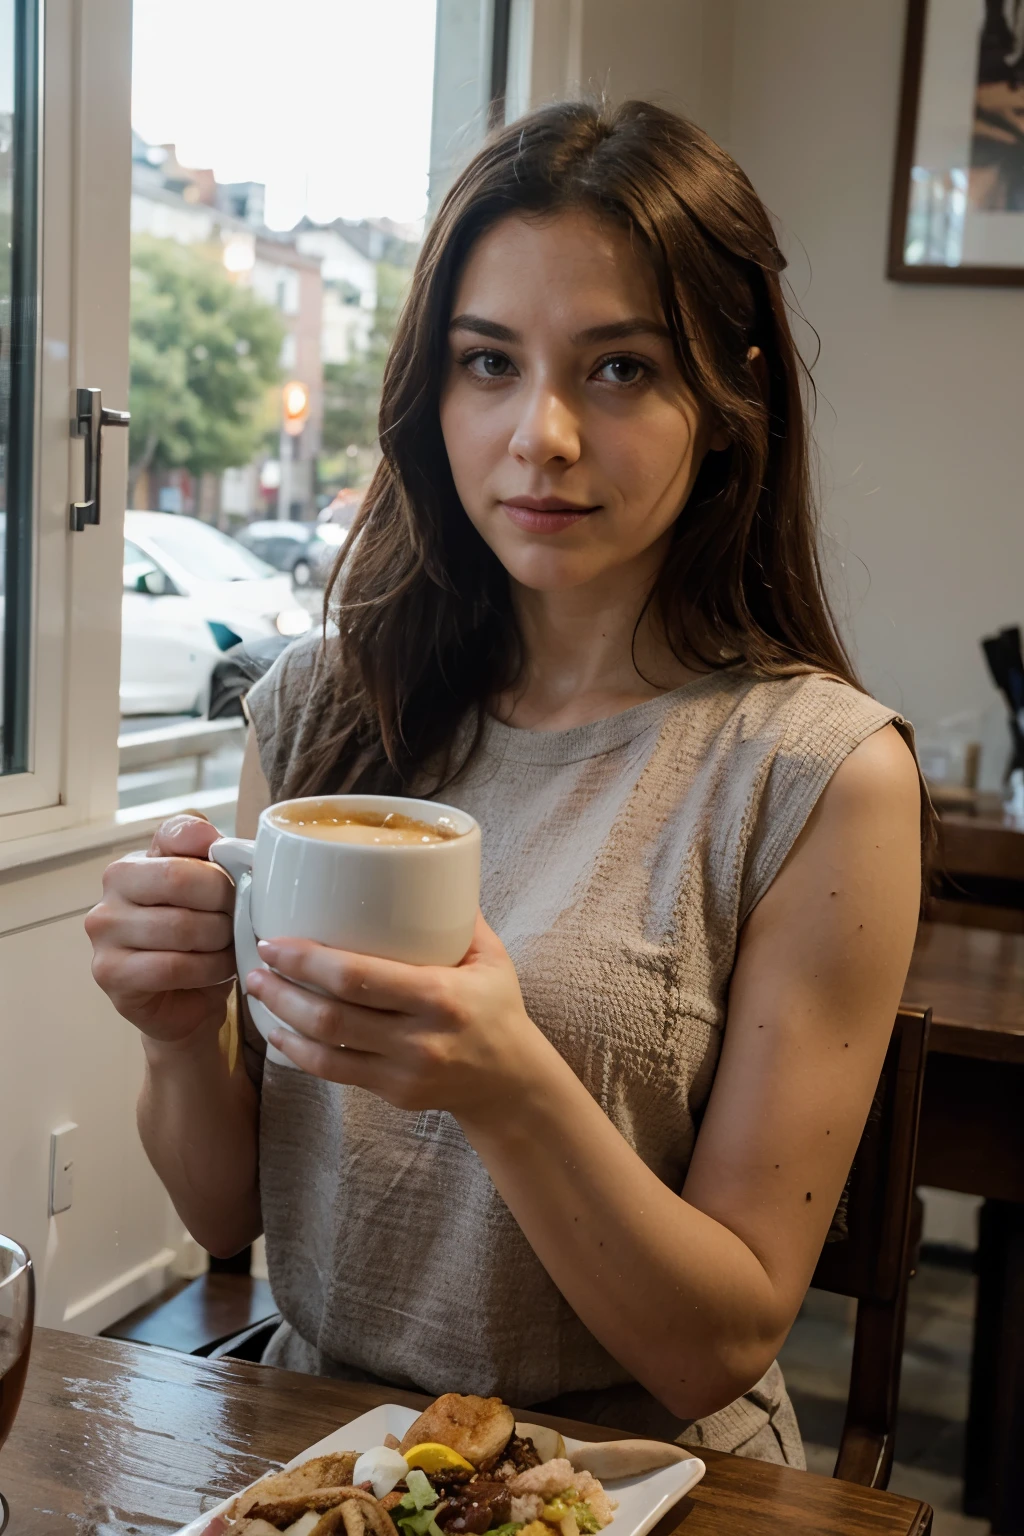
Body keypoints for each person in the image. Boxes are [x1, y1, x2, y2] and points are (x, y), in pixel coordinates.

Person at [86, 101, 923, 1467]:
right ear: (433, 390)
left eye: (620, 369)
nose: (541, 434)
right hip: (323, 1449)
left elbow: (716, 1345)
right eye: (489, 361)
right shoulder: (320, 712)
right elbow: (227, 1211)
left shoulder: (817, 776)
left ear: (731, 400)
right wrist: (175, 1030)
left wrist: (507, 1082)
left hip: (641, 1477)